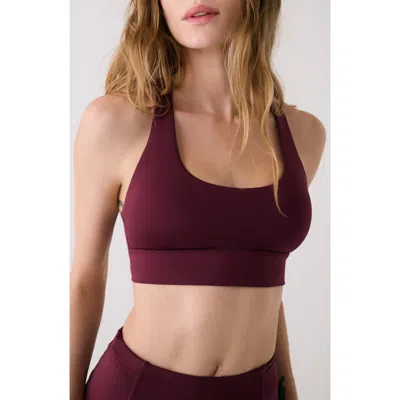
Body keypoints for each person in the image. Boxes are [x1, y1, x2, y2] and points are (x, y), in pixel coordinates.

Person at [70, 1, 326, 399]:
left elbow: (255, 274)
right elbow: (86, 279)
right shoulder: (116, 122)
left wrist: (287, 387)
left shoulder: (303, 135)